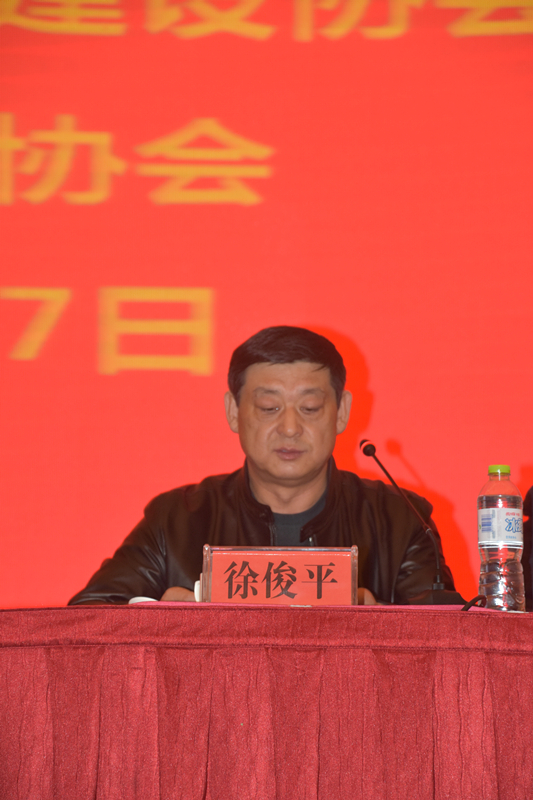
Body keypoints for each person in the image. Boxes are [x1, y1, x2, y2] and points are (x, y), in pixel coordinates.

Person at [69, 326, 455, 606]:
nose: (289, 428)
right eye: (269, 408)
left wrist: (381, 622)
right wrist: (157, 624)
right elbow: (85, 621)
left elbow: (447, 644)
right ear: (233, 411)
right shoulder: (178, 520)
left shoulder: (400, 520)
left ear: (341, 413)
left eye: (310, 408)